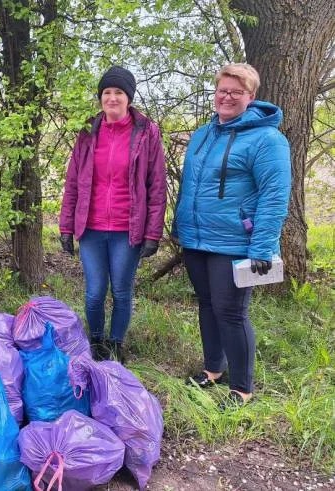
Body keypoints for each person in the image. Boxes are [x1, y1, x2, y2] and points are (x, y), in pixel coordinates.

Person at [173, 63, 291, 407]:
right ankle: (213, 369)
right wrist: (181, 226)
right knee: (207, 305)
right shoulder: (203, 135)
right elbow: (190, 186)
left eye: (236, 92)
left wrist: (264, 245)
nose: (227, 96)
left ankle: (242, 388)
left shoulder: (267, 139)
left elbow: (274, 194)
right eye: (222, 90)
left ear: (250, 97)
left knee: (231, 312)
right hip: (197, 239)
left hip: (235, 242)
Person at [59, 66, 167, 363]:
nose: (112, 98)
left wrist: (152, 233)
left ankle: (116, 344)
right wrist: (66, 227)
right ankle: (96, 342)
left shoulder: (146, 133)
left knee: (121, 291)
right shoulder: (87, 132)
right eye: (107, 92)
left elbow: (157, 185)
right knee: (94, 292)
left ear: (129, 98)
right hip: (91, 228)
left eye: (119, 92)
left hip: (127, 229)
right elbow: (72, 183)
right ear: (100, 97)